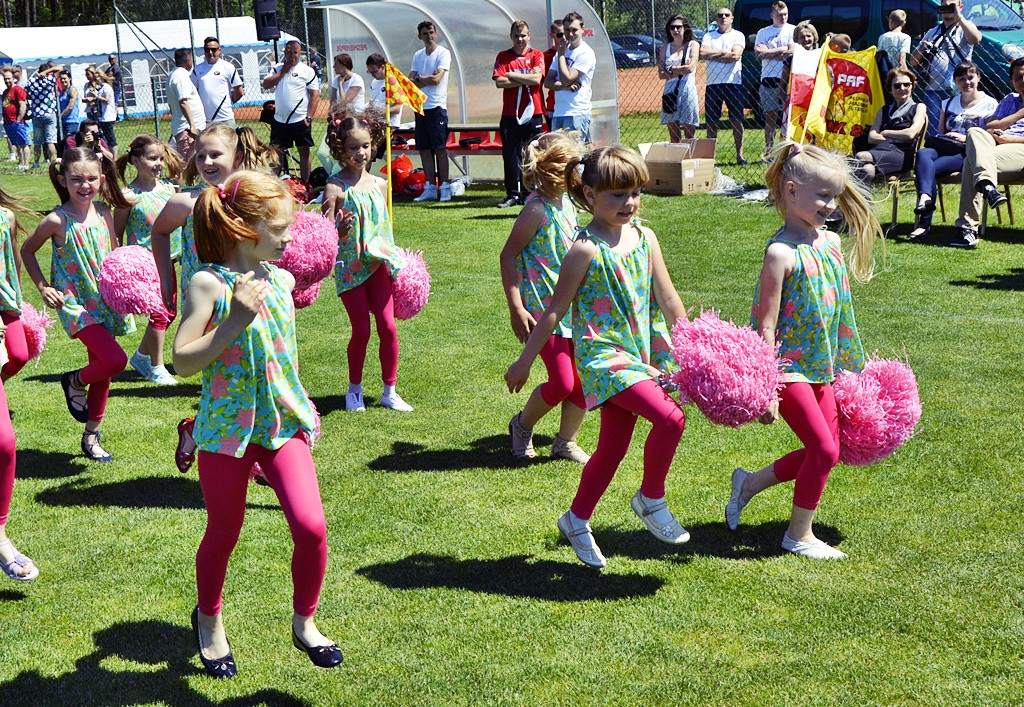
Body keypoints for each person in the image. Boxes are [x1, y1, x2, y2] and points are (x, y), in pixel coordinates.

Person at [173, 170, 342, 679]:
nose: (290, 236)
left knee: (311, 527)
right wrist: (232, 322)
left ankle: (305, 623)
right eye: (281, 227)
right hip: (226, 431)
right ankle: (208, 620)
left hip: (280, 424)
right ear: (247, 229)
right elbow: (182, 361)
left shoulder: (283, 279)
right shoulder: (208, 282)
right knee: (225, 531)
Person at [504, 146, 688, 569]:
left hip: (638, 354)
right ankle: (651, 499)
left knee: (611, 449)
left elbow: (668, 296)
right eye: (617, 195)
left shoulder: (646, 236)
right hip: (602, 359)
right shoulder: (584, 249)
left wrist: (697, 344)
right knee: (670, 417)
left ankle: (576, 519)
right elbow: (553, 311)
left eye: (636, 192)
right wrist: (526, 360)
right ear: (588, 194)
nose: (630, 203)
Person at [727, 141, 883, 560]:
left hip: (823, 368)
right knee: (826, 450)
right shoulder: (780, 253)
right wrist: (765, 387)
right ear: (792, 192)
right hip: (789, 370)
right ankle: (798, 535)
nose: (831, 205)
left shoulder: (829, 242)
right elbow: (766, 323)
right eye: (823, 196)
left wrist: (849, 364)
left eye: (835, 196)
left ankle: (749, 483)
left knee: (827, 453)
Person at [151, 123, 278, 473]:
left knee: (251, 370)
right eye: (200, 154)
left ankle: (201, 432)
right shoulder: (186, 201)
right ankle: (243, 454)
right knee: (217, 374)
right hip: (206, 300)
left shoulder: (249, 199)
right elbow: (159, 231)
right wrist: (167, 277)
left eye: (215, 154)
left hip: (246, 296)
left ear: (236, 156)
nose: (206, 160)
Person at [21, 148, 134, 463]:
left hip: (104, 301)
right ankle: (73, 380)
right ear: (62, 180)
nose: (85, 185)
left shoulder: (104, 212)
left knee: (105, 370)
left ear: (101, 178)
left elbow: (114, 252)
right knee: (115, 359)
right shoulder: (56, 220)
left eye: (91, 178)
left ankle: (91, 436)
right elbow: (28, 251)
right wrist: (43, 287)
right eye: (76, 180)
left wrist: (128, 287)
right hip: (75, 304)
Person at [499, 131, 590, 462]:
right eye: (574, 166)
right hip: (543, 311)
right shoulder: (535, 210)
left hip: (572, 306)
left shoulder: (566, 202)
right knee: (564, 382)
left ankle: (565, 441)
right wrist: (516, 307)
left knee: (582, 382)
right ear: (556, 171)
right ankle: (522, 426)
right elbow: (508, 256)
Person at [321, 111, 413, 413]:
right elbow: (323, 234)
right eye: (352, 148)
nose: (360, 153)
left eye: (365, 146)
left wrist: (394, 259)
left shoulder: (381, 184)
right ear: (340, 149)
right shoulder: (335, 187)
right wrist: (338, 230)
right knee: (361, 330)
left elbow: (384, 228)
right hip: (350, 270)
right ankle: (355, 389)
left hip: (377, 267)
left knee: (388, 327)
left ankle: (390, 390)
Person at [113, 135, 185, 386]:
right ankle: (156, 366)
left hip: (170, 260)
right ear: (135, 160)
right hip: (145, 265)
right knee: (161, 313)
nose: (159, 164)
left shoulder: (170, 189)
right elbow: (116, 233)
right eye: (152, 158)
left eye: (161, 158)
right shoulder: (129, 195)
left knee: (170, 311)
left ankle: (142, 356)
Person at [910, 61, 997, 240]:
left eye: (970, 77)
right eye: (961, 79)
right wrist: (944, 138)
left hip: (967, 152)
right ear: (955, 82)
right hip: (945, 146)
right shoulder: (947, 103)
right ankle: (926, 196)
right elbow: (941, 132)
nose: (967, 82)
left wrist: (965, 138)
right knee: (923, 153)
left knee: (928, 170)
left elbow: (988, 137)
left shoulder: (990, 104)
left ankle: (924, 223)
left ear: (978, 78)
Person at [952, 57, 1024, 249]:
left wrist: (1011, 139)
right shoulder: (1010, 100)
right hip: (998, 147)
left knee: (971, 162)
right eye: (1018, 78)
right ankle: (989, 187)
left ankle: (967, 228)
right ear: (1012, 82)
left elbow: (998, 127)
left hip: (1020, 149)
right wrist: (1021, 112)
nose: (1022, 81)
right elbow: (991, 125)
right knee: (975, 132)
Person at [493, 20, 545, 208]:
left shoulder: (537, 55)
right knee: (510, 154)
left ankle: (529, 192)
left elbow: (536, 79)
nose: (520, 39)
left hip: (533, 113)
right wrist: (525, 78)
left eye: (523, 35)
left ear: (529, 35)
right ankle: (512, 194)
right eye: (516, 36)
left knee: (531, 153)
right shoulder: (503, 56)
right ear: (511, 37)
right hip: (509, 114)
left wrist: (512, 75)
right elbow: (499, 82)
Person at [909, 0, 981, 136]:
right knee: (933, 130)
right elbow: (913, 61)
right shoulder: (933, 31)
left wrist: (959, 16)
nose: (948, 9)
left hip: (958, 89)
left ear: (960, 7)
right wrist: (923, 48)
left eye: (952, 5)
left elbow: (976, 39)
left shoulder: (965, 27)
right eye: (945, 6)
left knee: (957, 127)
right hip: (933, 90)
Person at [853, 68, 926, 182]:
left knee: (860, 157)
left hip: (903, 154)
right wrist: (899, 137)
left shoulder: (919, 107)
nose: (902, 88)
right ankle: (864, 200)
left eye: (906, 84)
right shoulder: (884, 110)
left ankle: (849, 197)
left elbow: (911, 134)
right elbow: (872, 137)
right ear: (890, 89)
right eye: (897, 86)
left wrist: (887, 133)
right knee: (867, 170)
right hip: (881, 150)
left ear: (912, 86)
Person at [262, 40, 320, 184]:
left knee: (303, 151)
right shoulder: (277, 68)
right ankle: (276, 183)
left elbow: (315, 95)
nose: (292, 55)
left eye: (295, 52)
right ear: (285, 52)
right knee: (277, 152)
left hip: (300, 119)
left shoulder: (307, 71)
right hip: (280, 119)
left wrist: (309, 117)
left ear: (300, 53)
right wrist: (283, 71)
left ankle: (305, 184)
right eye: (288, 52)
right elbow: (266, 84)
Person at [409, 21, 454, 202]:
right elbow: (410, 80)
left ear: (436, 34)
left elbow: (437, 79)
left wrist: (421, 79)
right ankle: (430, 187)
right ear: (420, 36)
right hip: (420, 107)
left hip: (436, 107)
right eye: (425, 33)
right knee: (424, 149)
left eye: (431, 32)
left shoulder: (443, 53)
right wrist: (422, 78)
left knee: (439, 148)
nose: (429, 36)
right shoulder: (418, 55)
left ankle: (444, 186)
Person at [701, 7, 747, 164]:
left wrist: (714, 54)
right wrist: (724, 54)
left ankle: (739, 155)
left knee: (736, 120)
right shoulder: (708, 36)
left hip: (733, 83)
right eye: (720, 15)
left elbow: (735, 55)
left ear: (732, 18)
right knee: (712, 122)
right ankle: (710, 158)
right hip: (713, 84)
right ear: (716, 18)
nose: (723, 17)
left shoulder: (738, 35)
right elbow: (702, 53)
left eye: (726, 15)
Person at [544, 12, 596, 144]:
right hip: (559, 112)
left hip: (576, 113)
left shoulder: (585, 52)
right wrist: (564, 86)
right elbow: (548, 82)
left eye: (574, 30)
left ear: (582, 30)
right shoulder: (562, 50)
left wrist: (561, 56)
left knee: (574, 157)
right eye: (567, 30)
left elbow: (567, 78)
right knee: (559, 156)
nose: (570, 34)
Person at [754, 2, 794, 157]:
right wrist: (782, 50)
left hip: (789, 79)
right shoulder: (763, 32)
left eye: (785, 14)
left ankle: (788, 151)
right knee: (770, 119)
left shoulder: (793, 30)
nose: (783, 17)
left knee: (789, 117)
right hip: (768, 80)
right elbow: (759, 54)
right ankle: (769, 153)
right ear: (772, 15)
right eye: (779, 14)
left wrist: (769, 52)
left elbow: (790, 53)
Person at [0, 188, 29, 385]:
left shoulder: (6, 216)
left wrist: (18, 296)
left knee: (19, 355)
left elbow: (13, 258)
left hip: (5, 297)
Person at [658, 14, 700, 142]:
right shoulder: (666, 47)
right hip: (670, 90)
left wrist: (670, 69)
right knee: (673, 132)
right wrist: (680, 68)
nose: (675, 30)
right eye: (672, 28)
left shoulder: (692, 45)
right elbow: (661, 74)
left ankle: (690, 159)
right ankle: (677, 159)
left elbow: (690, 68)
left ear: (685, 28)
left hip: (687, 88)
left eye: (678, 27)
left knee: (689, 130)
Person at [192, 37, 244, 127]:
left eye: (213, 49)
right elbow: (193, 92)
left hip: (225, 118)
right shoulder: (197, 69)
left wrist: (229, 102)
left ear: (219, 50)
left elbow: (239, 91)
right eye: (207, 50)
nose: (210, 53)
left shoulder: (228, 67)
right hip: (205, 119)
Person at [167, 48, 207, 161]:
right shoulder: (180, 77)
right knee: (188, 163)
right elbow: (183, 102)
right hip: (187, 129)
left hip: (186, 127)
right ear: (189, 61)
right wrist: (192, 126)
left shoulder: (176, 75)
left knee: (192, 161)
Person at [26, 61, 63, 168]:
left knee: (37, 141)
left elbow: (27, 93)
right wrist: (48, 71)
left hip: (37, 114)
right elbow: (60, 68)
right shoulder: (49, 80)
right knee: (50, 140)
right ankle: (52, 163)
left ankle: (36, 162)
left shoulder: (31, 81)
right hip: (49, 113)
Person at [82, 69, 117, 153]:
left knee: (111, 140)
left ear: (101, 78)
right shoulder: (101, 88)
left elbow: (107, 100)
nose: (95, 80)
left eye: (96, 78)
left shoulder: (106, 87)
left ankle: (114, 158)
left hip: (107, 117)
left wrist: (96, 96)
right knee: (104, 138)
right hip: (102, 116)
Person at [780, 21, 818, 99]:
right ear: (796, 39)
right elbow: (782, 85)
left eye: (809, 36)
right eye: (802, 37)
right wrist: (787, 103)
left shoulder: (820, 57)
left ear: (814, 37)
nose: (806, 39)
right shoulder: (791, 60)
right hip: (796, 102)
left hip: (815, 101)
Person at [2, 70, 30, 171]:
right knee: (17, 145)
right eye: (5, 79)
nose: (7, 80)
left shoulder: (18, 90)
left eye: (9, 78)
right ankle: (21, 163)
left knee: (24, 143)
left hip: (17, 122)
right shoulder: (6, 92)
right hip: (8, 123)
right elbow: (5, 105)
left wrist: (18, 120)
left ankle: (26, 164)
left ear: (13, 78)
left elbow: (23, 105)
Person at [366, 54, 402, 129]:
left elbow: (397, 109)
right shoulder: (374, 82)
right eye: (370, 72)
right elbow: (373, 102)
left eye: (374, 71)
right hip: (377, 124)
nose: (372, 75)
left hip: (390, 125)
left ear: (382, 67)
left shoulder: (393, 81)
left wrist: (379, 113)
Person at [542, 20, 563, 127]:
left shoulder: (574, 53)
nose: (564, 37)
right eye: (560, 34)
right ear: (552, 35)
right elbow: (538, 85)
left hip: (571, 107)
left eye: (566, 33)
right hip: (553, 107)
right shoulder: (546, 56)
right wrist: (543, 109)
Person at [58, 69, 82, 141]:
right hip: (63, 122)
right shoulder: (62, 92)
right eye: (61, 79)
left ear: (70, 79)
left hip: (71, 121)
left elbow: (70, 106)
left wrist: (60, 116)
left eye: (65, 78)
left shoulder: (72, 90)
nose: (63, 81)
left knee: (71, 142)